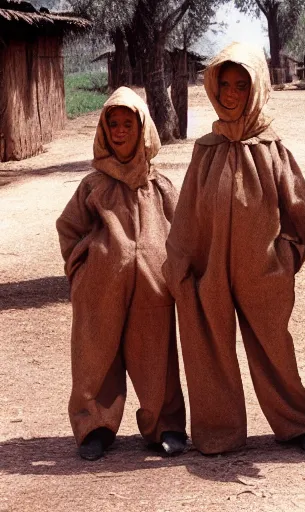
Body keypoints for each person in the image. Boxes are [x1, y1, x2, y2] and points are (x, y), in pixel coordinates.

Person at [163, 42, 305, 455]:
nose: (232, 94)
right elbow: (188, 215)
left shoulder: (272, 149)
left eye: (241, 85)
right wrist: (180, 265)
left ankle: (297, 422)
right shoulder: (206, 149)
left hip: (263, 272)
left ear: (257, 89)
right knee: (209, 349)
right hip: (209, 270)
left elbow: (300, 212)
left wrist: (285, 258)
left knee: (274, 347)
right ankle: (219, 431)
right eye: (225, 85)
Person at [56, 87, 187, 461]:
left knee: (156, 354)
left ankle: (166, 425)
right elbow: (68, 228)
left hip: (153, 290)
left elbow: (183, 231)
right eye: (112, 123)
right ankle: (94, 426)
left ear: (143, 128)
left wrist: (170, 271)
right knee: (96, 355)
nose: (118, 130)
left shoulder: (159, 186)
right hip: (100, 290)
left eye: (127, 123)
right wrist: (82, 270)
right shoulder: (93, 187)